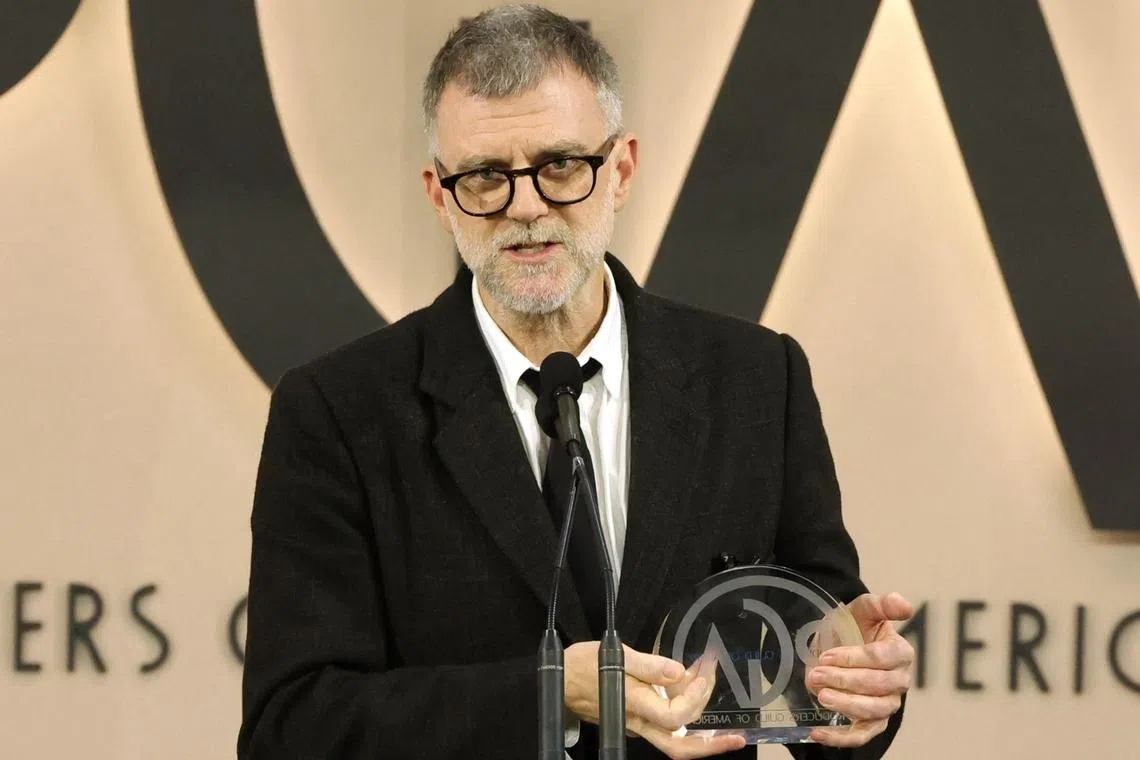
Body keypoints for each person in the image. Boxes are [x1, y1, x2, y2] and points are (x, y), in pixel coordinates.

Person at [237, 5, 914, 759]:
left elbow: (816, 668)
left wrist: (857, 693)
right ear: (438, 193)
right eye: (487, 177)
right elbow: (290, 728)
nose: (526, 208)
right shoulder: (338, 412)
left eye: (561, 165)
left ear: (620, 169)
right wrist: (550, 692)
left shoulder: (757, 380)